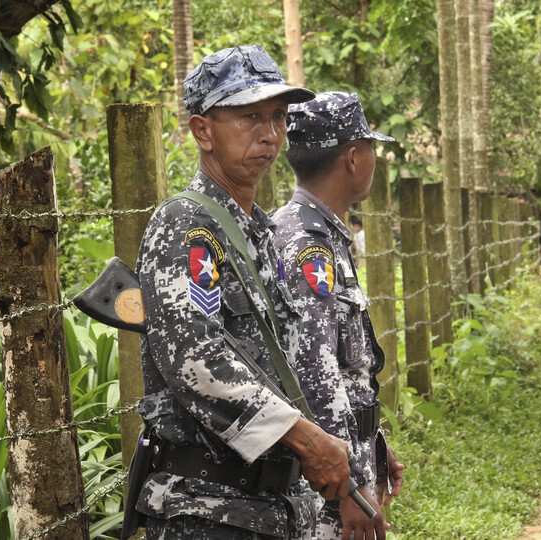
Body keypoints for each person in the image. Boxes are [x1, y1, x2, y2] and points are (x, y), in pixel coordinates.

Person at [134, 45, 351, 539]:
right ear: (202, 131)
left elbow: (287, 362)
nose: (270, 134)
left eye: (278, 116)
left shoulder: (260, 231)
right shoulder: (188, 225)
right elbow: (195, 358)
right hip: (210, 511)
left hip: (274, 508)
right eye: (249, 116)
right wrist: (307, 439)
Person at [273, 91, 404, 540]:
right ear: (352, 158)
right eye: (370, 148)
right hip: (327, 485)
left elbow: (348, 371)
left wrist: (374, 445)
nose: (373, 159)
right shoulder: (308, 243)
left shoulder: (318, 234)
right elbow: (314, 368)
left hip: (342, 465)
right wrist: (353, 488)